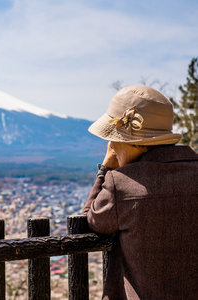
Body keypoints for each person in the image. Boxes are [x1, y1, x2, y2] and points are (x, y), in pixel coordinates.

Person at [82, 85, 198, 300]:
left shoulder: (122, 184)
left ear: (135, 143)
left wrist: (106, 169)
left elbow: (90, 219)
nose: (112, 148)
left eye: (114, 141)